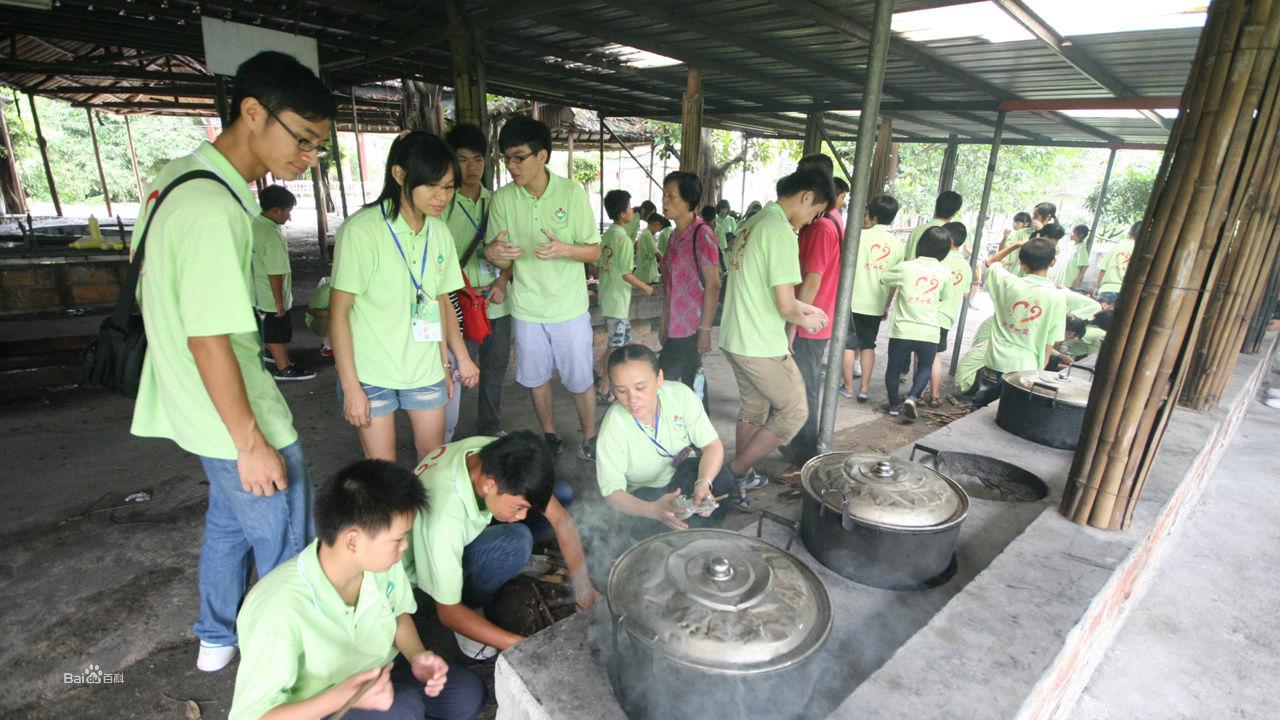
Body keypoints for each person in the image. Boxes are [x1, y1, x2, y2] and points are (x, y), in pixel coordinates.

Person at [129, 51, 332, 672]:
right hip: (236, 414)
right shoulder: (216, 211)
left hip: (194, 405)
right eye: (303, 139)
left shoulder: (177, 177)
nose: (309, 157)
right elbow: (210, 339)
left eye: (319, 145)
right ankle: (284, 673)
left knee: (228, 525)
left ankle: (216, 635)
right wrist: (250, 441)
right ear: (252, 112)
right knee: (285, 546)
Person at [229, 461, 485, 720]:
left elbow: (397, 615)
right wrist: (343, 697)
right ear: (353, 541)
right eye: (398, 539)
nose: (405, 546)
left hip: (380, 673)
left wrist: (417, 656)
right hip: (320, 705)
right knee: (403, 709)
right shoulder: (277, 609)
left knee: (466, 696)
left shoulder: (381, 563)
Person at [331, 133, 477, 464]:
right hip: (371, 372)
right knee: (384, 470)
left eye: (449, 186)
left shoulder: (439, 232)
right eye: (433, 186)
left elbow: (441, 303)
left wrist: (455, 359)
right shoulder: (361, 231)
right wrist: (351, 387)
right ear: (399, 175)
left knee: (432, 462)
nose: (442, 196)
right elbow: (339, 314)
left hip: (424, 369)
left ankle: (426, 518)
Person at [404, 431, 598, 661]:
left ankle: (503, 554)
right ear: (489, 485)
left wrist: (584, 588)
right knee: (516, 541)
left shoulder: (492, 454)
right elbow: (447, 612)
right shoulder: (442, 522)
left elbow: (561, 519)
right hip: (428, 563)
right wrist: (524, 645)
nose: (523, 515)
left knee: (560, 492)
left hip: (469, 526)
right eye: (519, 507)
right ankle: (471, 602)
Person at [484, 117, 602, 461]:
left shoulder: (571, 194)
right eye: (506, 158)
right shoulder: (504, 200)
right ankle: (550, 435)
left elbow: (593, 250)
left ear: (543, 156)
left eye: (519, 157)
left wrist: (565, 249)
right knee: (536, 379)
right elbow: (501, 259)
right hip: (526, 309)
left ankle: (590, 436)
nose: (511, 166)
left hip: (568, 308)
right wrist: (494, 254)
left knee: (580, 379)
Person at [720, 168, 831, 499]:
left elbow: (765, 289)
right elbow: (784, 305)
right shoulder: (781, 231)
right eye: (814, 212)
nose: (812, 220)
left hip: (735, 336)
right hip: (759, 342)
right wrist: (804, 319)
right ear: (806, 196)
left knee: (752, 409)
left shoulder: (753, 222)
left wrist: (803, 308)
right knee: (795, 410)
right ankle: (734, 471)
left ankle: (742, 479)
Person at [596, 344, 738, 534]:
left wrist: (703, 483)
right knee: (646, 530)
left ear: (659, 379)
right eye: (621, 390)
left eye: (640, 387)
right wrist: (653, 510)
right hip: (644, 493)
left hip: (681, 475)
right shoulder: (613, 427)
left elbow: (712, 445)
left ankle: (705, 538)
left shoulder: (679, 396)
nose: (632, 399)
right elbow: (612, 494)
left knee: (721, 478)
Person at [442, 123, 511, 440]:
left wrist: (503, 280)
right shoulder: (443, 204)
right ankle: (445, 433)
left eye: (478, 159)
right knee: (455, 370)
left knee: (494, 373)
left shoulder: (496, 201)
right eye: (463, 159)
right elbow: (434, 261)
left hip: (496, 304)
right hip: (459, 306)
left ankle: (490, 430)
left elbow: (513, 253)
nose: (471, 167)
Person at [968, 237, 1072, 410]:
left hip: (996, 359)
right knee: (1012, 411)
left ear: (1022, 264)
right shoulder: (1057, 297)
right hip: (1027, 366)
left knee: (980, 405)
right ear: (1053, 262)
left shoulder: (1008, 282)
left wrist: (1015, 245)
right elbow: (1051, 339)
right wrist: (1042, 365)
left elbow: (990, 262)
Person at [789, 175, 848, 466]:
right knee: (805, 383)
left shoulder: (823, 227)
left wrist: (794, 323)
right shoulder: (834, 220)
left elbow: (812, 279)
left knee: (805, 386)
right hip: (816, 316)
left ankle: (804, 452)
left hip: (810, 320)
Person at [657, 171, 721, 404]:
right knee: (692, 384)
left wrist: (705, 330)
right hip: (675, 326)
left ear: (688, 201)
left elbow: (713, 285)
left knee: (664, 384)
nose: (664, 201)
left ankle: (696, 434)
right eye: (664, 195)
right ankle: (699, 434)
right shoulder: (674, 236)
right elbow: (670, 285)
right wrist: (664, 321)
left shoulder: (701, 234)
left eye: (671, 197)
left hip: (691, 328)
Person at [880, 226, 956, 420]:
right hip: (929, 330)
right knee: (925, 366)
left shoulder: (906, 267)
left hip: (902, 329)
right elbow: (946, 297)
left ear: (921, 245)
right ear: (945, 250)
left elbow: (884, 279)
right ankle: (912, 397)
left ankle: (894, 405)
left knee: (894, 369)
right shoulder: (945, 273)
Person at [843, 194, 904, 404]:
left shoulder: (857, 237)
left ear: (873, 214)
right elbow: (894, 282)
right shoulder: (898, 245)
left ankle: (848, 387)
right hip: (876, 303)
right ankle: (865, 389)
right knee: (869, 344)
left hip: (851, 301)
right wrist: (886, 305)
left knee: (849, 345)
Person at [252, 185, 315, 381]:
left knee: (267, 328)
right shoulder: (272, 235)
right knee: (276, 331)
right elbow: (275, 273)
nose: (289, 217)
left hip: (255, 292)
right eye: (288, 211)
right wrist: (279, 303)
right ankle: (284, 368)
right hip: (269, 293)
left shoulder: (254, 224)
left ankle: (272, 354)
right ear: (276, 210)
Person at [596, 190, 655, 399]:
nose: (633, 211)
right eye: (630, 207)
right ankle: (604, 388)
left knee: (625, 340)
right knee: (616, 346)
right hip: (617, 300)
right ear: (622, 214)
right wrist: (646, 288)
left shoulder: (608, 234)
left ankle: (600, 372)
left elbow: (598, 264)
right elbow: (626, 274)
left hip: (608, 295)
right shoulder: (624, 240)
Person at [928, 220, 974, 407]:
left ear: (950, 238)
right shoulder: (966, 266)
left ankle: (920, 393)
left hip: (929, 314)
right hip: (947, 317)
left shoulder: (939, 259)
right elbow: (965, 294)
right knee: (935, 355)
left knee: (923, 356)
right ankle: (935, 394)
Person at [903, 190, 962, 261]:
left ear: (936, 206)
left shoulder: (917, 230)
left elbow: (905, 258)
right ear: (954, 213)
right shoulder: (951, 236)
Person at [1003, 202, 1057, 276]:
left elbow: (1052, 262)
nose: (1033, 218)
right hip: (1020, 277)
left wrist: (1042, 231)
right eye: (1033, 215)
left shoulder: (1053, 235)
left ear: (1048, 217)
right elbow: (1004, 248)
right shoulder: (1023, 232)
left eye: (1036, 216)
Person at [1097, 221, 1139, 308]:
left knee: (1102, 319)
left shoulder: (1116, 246)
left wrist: (1097, 287)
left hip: (1107, 290)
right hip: (1127, 292)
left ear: (1129, 232)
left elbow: (1102, 269)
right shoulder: (1141, 250)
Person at [305, 275, 332, 357]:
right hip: (317, 320)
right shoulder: (327, 289)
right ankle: (328, 345)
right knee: (337, 315)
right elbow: (311, 310)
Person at [635, 213, 665, 284]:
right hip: (647, 276)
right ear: (656, 224)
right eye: (659, 228)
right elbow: (658, 254)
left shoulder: (644, 233)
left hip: (643, 274)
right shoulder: (647, 235)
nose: (658, 231)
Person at [1065, 224, 1092, 290]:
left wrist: (1077, 280)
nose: (1071, 234)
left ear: (1080, 235)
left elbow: (1085, 265)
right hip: (1064, 280)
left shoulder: (1081, 249)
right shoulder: (1073, 246)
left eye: (1073, 232)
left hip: (1070, 282)